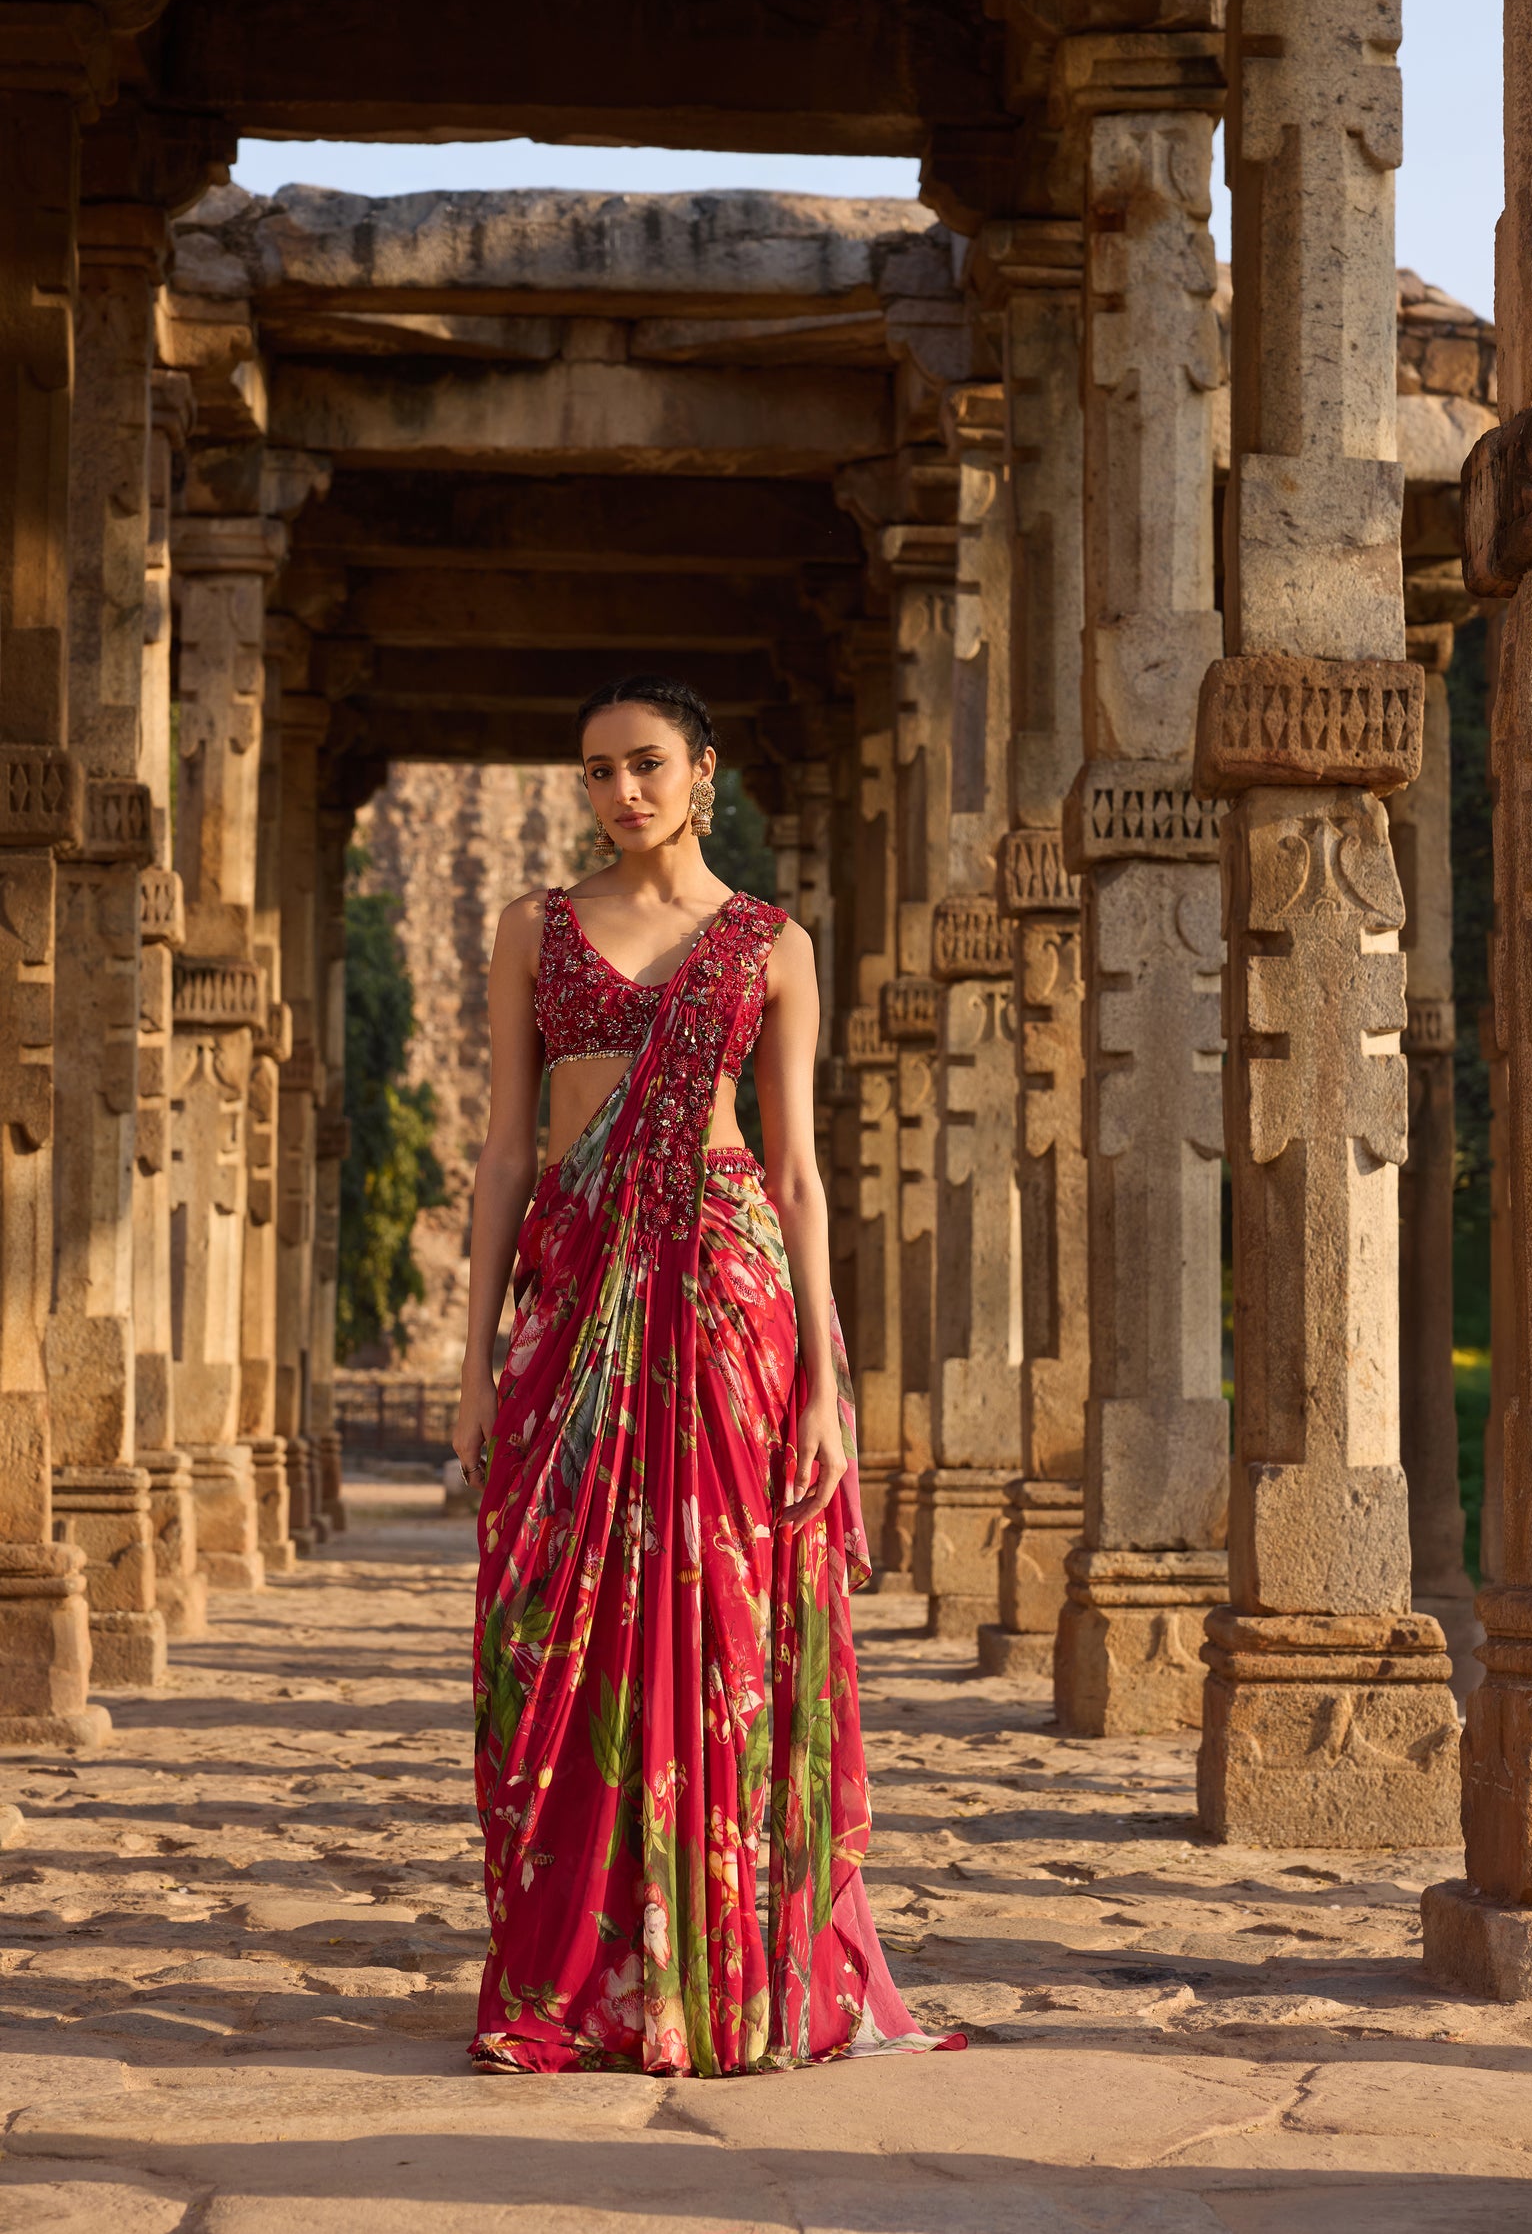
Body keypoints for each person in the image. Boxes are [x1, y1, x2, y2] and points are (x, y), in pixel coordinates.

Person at [451, 673, 963, 2076]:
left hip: (731, 1307)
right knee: (554, 1629)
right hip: (574, 1314)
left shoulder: (770, 944)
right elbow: (507, 1151)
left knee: (728, 1630)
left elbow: (799, 1176)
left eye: (647, 764)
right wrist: (475, 1357)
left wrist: (824, 1390)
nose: (622, 792)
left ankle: (723, 1978)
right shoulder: (531, 932)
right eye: (598, 771)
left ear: (705, 771)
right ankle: (562, 1983)